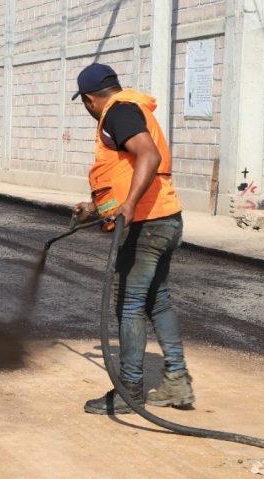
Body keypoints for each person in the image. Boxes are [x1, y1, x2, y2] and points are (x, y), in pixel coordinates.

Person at [71, 63, 194, 415]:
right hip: (166, 218)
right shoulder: (131, 109)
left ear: (90, 99)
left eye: (85, 103)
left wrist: (128, 205)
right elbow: (126, 173)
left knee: (130, 304)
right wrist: (95, 207)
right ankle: (176, 383)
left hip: (146, 226)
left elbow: (148, 155)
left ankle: (130, 389)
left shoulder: (117, 113)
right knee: (159, 301)